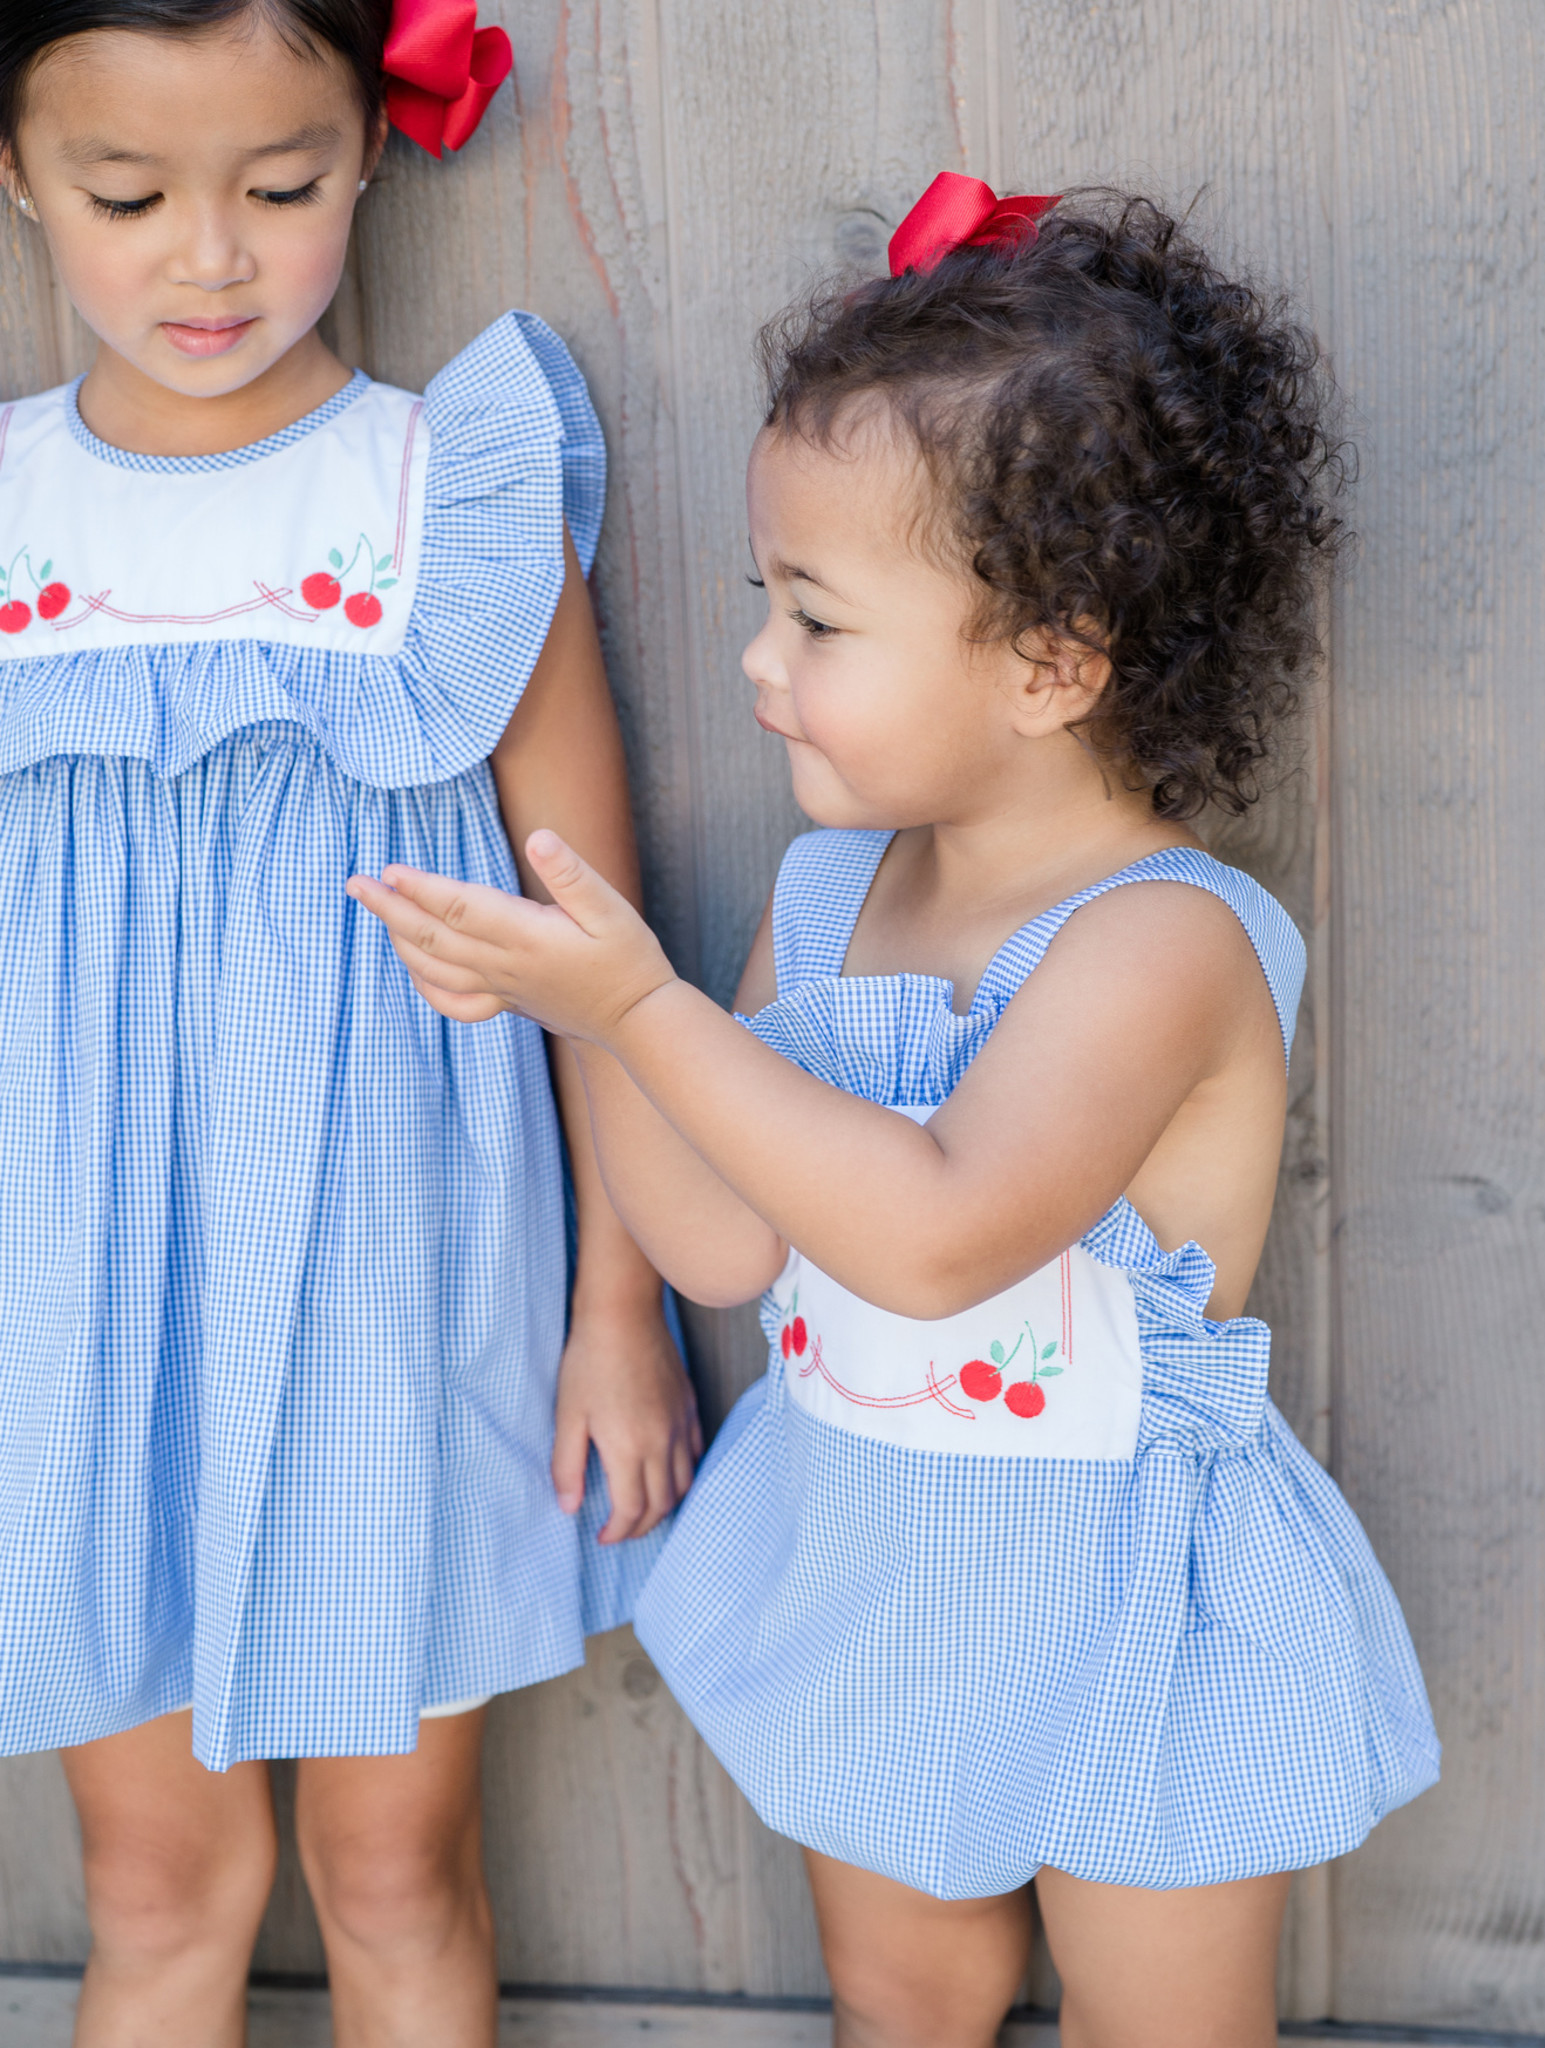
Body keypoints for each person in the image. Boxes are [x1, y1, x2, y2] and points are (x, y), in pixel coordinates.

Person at [350, 175, 1441, 2048]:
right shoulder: (835, 897)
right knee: (906, 1994)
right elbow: (728, 1240)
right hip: (870, 1555)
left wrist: (642, 1006)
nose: (764, 666)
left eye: (820, 619)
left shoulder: (1160, 943)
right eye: (763, 604)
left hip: (1125, 1603)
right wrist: (595, 1023)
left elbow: (937, 1237)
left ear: (1050, 661)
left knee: (1161, 2024)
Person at [0, 1, 699, 2042]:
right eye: (128, 195)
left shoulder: (444, 496)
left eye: (280, 186)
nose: (209, 255)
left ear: (370, 155)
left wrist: (616, 1305)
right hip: (74, 1282)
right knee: (152, 1876)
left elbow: (600, 949)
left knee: (392, 1863)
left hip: (394, 1262)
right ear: (20, 178)